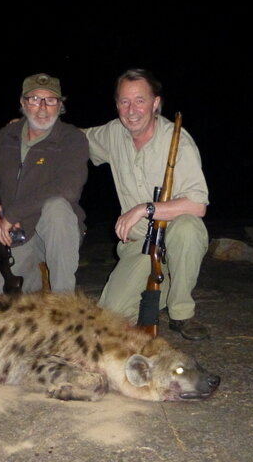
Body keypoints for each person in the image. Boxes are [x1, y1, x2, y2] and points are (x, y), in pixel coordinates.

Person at [85, 69, 210, 340]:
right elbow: (73, 140)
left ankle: (181, 312)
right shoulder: (112, 133)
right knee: (108, 319)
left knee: (189, 227)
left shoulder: (177, 140)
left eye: (140, 101)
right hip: (138, 245)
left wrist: (146, 208)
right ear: (116, 103)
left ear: (155, 103)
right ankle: (162, 282)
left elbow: (198, 204)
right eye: (124, 101)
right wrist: (35, 128)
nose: (132, 110)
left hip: (174, 235)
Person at [0, 73, 88, 295]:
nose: (42, 108)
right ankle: (32, 280)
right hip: (16, 235)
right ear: (22, 103)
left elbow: (69, 188)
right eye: (35, 99)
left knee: (57, 207)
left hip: (56, 234)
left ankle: (63, 301)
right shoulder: (6, 135)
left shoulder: (72, 138)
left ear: (60, 105)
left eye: (51, 100)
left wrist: (13, 213)